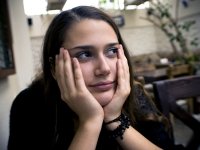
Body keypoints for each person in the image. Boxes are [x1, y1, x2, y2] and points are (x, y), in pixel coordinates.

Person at [8, 6, 186, 150]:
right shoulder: (30, 104)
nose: (104, 69)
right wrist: (90, 121)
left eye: (111, 51)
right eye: (85, 54)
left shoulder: (134, 94)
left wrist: (114, 120)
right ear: (55, 67)